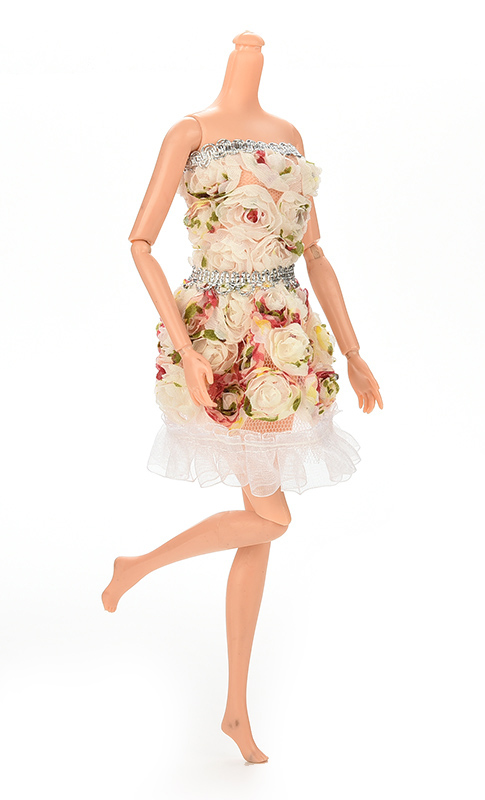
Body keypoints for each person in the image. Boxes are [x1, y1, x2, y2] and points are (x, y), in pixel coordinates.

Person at [102, 31, 383, 764]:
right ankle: (138, 567)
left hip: (285, 340)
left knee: (260, 529)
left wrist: (354, 352)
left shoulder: (289, 137)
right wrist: (187, 349)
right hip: (222, 341)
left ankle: (234, 710)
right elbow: (140, 243)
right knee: (271, 517)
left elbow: (313, 250)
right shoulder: (189, 133)